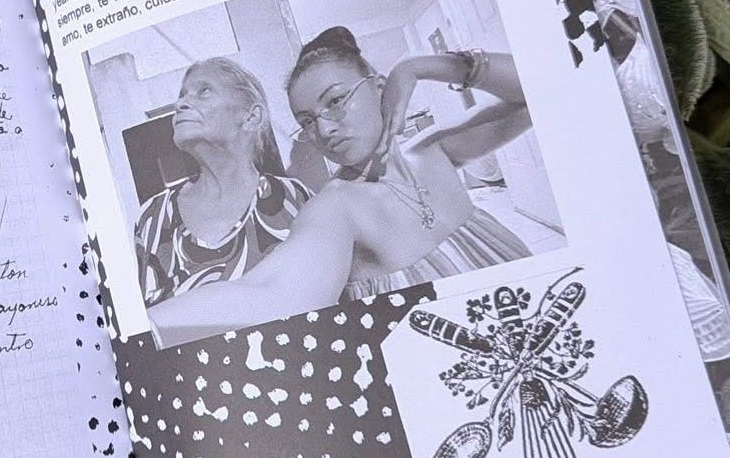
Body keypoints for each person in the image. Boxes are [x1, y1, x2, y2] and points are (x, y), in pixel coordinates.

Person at [149, 27, 536, 342]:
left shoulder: (435, 150)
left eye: (335, 101)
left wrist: (417, 67)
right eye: (307, 121)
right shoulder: (335, 207)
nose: (324, 129)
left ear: (380, 86)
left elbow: (536, 89)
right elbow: (271, 292)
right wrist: (139, 335)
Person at [133, 58, 312, 307]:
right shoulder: (154, 217)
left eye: (204, 91)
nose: (180, 104)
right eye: (182, 95)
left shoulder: (297, 200)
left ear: (251, 117)